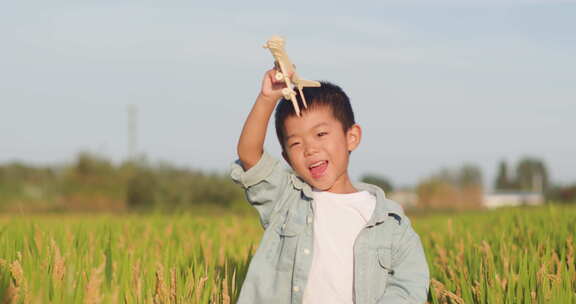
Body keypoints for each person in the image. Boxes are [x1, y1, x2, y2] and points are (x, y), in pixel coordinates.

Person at [230, 68, 430, 304]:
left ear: (351, 137)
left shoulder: (390, 222)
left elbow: (409, 285)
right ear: (286, 158)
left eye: (321, 134)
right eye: (296, 143)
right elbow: (249, 156)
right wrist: (267, 99)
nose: (310, 149)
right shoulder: (286, 199)